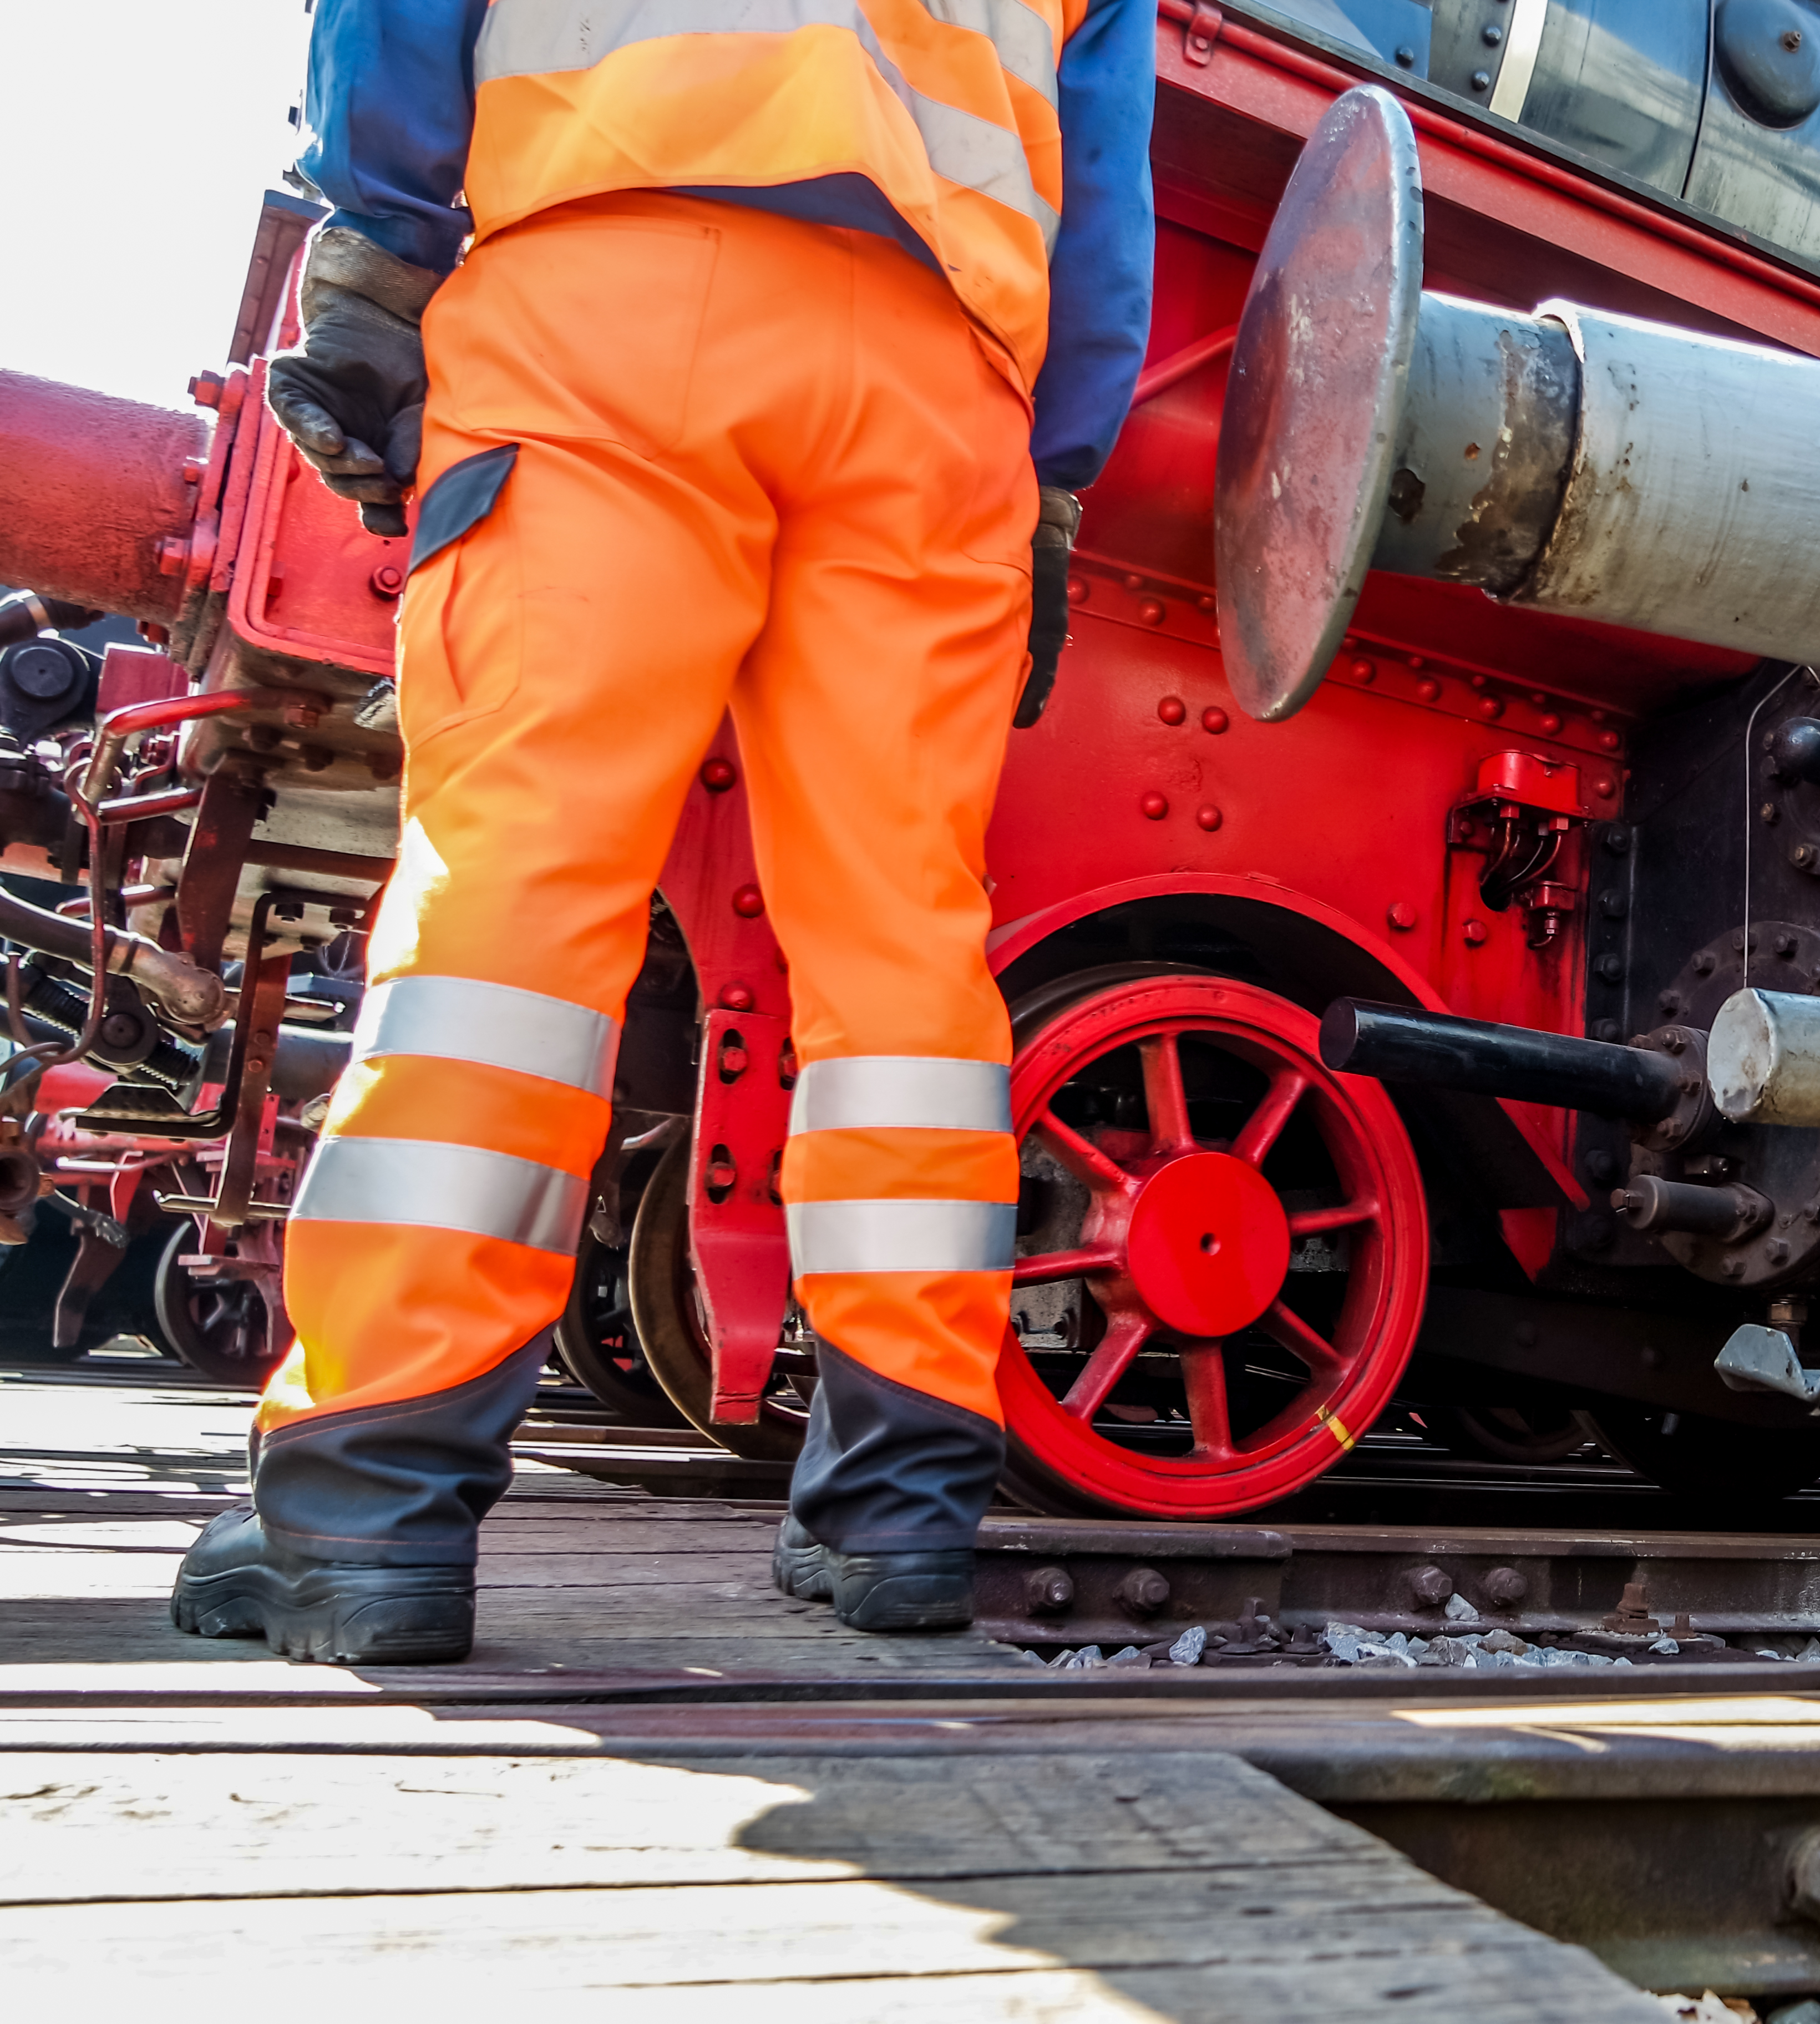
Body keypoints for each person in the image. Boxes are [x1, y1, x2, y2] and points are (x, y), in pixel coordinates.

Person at [170, 0, 1155, 1663]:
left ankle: (374, 1504)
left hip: (609, 288)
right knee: (904, 949)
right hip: (942, 393)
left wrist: (378, 232)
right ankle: (902, 1509)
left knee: (518, 894)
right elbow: (1108, 195)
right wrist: (1054, 475)